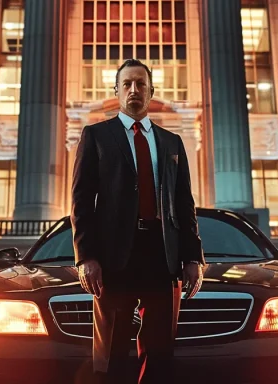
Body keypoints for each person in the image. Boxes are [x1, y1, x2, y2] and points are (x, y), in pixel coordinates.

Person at [71, 59, 205, 384]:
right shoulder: (96, 136)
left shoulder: (171, 142)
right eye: (127, 84)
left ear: (151, 92)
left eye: (140, 84)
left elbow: (184, 204)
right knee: (112, 352)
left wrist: (193, 257)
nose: (134, 90)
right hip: (113, 257)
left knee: (159, 351)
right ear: (116, 91)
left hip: (162, 255)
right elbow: (81, 201)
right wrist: (86, 257)